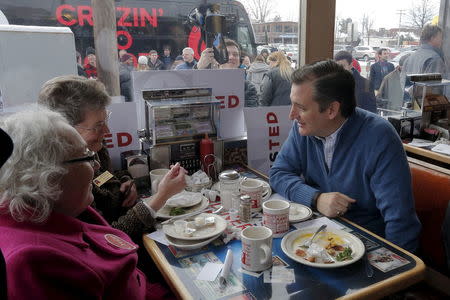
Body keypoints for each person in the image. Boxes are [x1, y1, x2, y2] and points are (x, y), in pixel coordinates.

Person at [0, 109, 174, 299]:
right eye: (86, 155)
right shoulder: (33, 262)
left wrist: (125, 178)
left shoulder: (57, 207)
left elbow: (109, 176)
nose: (96, 165)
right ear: (49, 175)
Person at [269, 60, 421, 253]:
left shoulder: (379, 137)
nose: (292, 115)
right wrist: (316, 198)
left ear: (332, 110)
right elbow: (278, 173)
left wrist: (396, 277)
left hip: (367, 246)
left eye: (301, 107)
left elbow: (401, 222)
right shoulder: (305, 128)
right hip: (318, 239)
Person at [38, 75, 186, 243]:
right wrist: (161, 196)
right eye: (97, 126)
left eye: (105, 120)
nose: (106, 131)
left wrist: (125, 180)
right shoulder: (66, 178)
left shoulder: (94, 148)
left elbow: (105, 176)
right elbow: (109, 239)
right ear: (64, 129)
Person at [196, 39, 258, 107]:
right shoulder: (206, 83)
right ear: (217, 59)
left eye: (235, 54)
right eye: (226, 54)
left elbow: (249, 113)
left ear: (239, 61)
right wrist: (198, 68)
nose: (231, 57)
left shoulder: (248, 87)